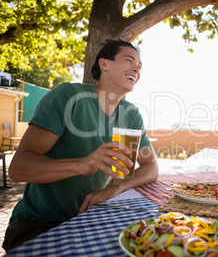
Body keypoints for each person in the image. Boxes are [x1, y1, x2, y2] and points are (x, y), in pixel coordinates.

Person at [2, 39, 159, 252]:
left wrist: (117, 187)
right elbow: (19, 168)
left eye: (139, 66)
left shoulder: (130, 114)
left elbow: (151, 166)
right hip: (41, 222)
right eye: (129, 60)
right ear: (104, 64)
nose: (136, 69)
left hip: (90, 217)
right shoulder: (69, 96)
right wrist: (82, 164)